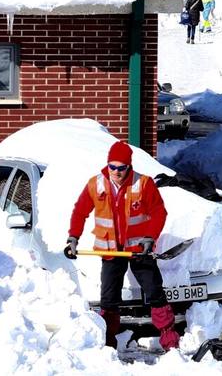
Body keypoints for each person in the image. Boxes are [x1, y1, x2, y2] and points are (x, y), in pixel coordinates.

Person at [65, 141, 178, 351]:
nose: (116, 172)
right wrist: (73, 237)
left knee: (155, 293)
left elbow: (159, 212)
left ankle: (169, 341)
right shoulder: (95, 184)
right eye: (112, 167)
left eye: (121, 168)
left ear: (129, 166)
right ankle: (108, 345)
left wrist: (150, 237)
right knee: (109, 300)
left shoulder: (143, 184)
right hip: (110, 250)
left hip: (138, 250)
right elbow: (80, 212)